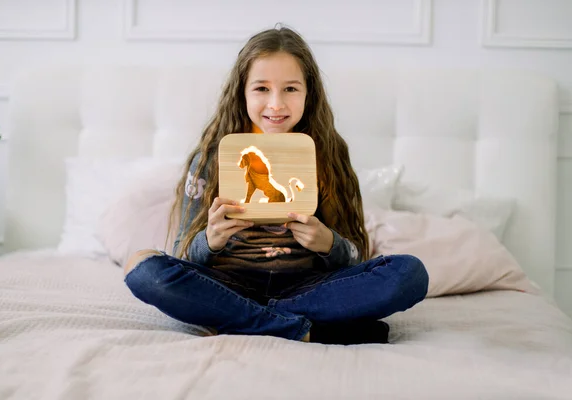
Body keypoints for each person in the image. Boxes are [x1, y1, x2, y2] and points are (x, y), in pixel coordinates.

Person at [124, 26, 429, 345]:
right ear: (242, 91)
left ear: (309, 92)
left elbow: (354, 255)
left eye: (290, 89)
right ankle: (308, 330)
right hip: (226, 283)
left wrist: (327, 242)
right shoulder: (210, 157)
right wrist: (210, 240)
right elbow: (183, 255)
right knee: (142, 267)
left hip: (309, 286)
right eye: (261, 89)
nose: (276, 104)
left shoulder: (329, 153)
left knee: (410, 274)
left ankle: (246, 319)